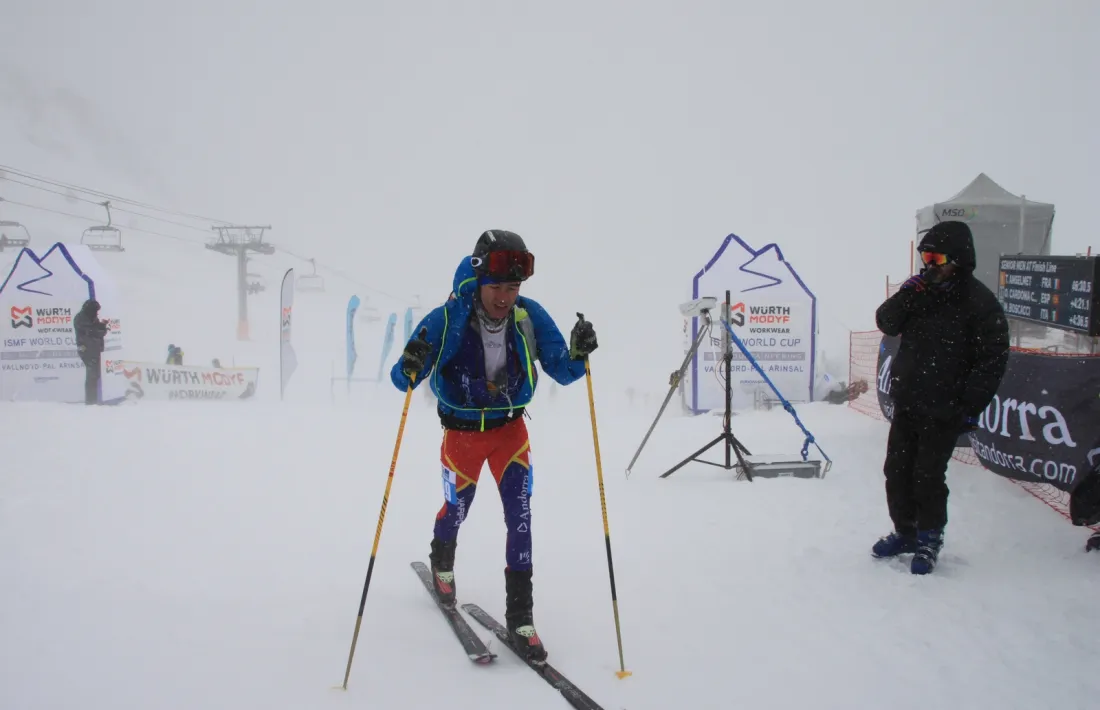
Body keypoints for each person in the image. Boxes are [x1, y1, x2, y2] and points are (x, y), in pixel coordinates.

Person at [391, 230, 598, 663]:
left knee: (520, 517)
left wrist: (579, 353)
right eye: (497, 287)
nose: (505, 297)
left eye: (513, 287)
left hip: (510, 432)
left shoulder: (528, 314)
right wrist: (410, 364)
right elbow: (402, 377)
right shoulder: (447, 317)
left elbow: (562, 369)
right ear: (479, 279)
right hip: (462, 435)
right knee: (458, 509)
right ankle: (442, 559)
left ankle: (521, 616)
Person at [872, 220, 1010, 574]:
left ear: (959, 259)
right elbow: (887, 322)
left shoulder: (980, 303)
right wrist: (906, 293)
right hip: (909, 401)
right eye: (925, 256)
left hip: (945, 407)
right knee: (897, 471)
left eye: (936, 256)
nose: (929, 264)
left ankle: (929, 538)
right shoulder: (921, 293)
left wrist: (969, 406)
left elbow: (992, 360)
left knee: (927, 475)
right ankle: (906, 531)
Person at [73, 299, 110, 405]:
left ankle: (92, 399)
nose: (97, 313)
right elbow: (94, 331)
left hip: (93, 349)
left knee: (95, 375)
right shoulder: (81, 319)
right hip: (86, 349)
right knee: (92, 374)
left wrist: (102, 326)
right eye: (96, 311)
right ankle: (90, 400)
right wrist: (101, 330)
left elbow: (97, 330)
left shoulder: (90, 317)